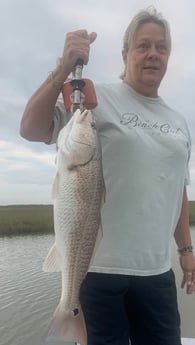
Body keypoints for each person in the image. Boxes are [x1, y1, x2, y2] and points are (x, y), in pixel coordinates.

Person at [20, 7, 195, 345]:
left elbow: (177, 191)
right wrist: (61, 69)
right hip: (98, 274)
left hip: (157, 274)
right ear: (125, 53)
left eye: (162, 47)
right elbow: (30, 129)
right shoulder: (90, 100)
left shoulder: (179, 122)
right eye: (143, 45)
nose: (153, 54)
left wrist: (185, 248)